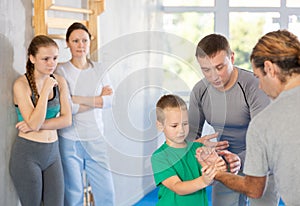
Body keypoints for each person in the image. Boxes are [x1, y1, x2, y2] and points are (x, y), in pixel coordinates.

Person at [210, 29, 300, 206]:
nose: (260, 86)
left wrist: (217, 173)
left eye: (259, 77)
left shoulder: (264, 123)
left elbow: (254, 189)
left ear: (269, 68)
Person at [188, 33, 279, 205]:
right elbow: (190, 138)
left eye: (219, 67)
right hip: (226, 164)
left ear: (232, 58)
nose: (214, 76)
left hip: (262, 162)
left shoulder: (254, 85)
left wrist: (241, 159)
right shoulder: (200, 91)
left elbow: (266, 138)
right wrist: (200, 146)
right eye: (206, 70)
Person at [55, 22, 115, 206]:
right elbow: (66, 108)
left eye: (84, 40)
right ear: (67, 43)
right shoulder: (60, 70)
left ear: (90, 42)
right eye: (75, 41)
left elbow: (109, 101)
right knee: (73, 194)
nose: (80, 45)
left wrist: (75, 98)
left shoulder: (100, 69)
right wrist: (96, 100)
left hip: (96, 139)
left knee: (107, 193)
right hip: (70, 139)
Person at [9, 35, 72, 206]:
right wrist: (44, 92)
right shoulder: (21, 85)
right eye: (45, 59)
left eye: (55, 58)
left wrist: (34, 125)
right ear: (32, 58)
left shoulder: (60, 81)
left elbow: (67, 120)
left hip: (53, 153)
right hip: (27, 155)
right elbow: (34, 123)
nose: (51, 63)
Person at [151, 94, 226, 206]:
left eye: (185, 124)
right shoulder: (159, 157)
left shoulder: (197, 149)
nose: (181, 130)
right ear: (160, 126)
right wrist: (203, 181)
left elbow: (210, 181)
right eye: (174, 125)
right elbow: (178, 187)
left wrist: (216, 168)